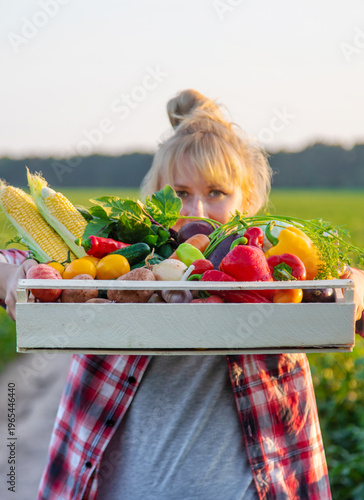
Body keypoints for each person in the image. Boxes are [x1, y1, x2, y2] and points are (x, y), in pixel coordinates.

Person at [1, 89, 364, 500]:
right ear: (153, 198)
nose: (197, 211)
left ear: (246, 199)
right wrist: (12, 276)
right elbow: (11, 260)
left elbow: (342, 282)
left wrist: (359, 284)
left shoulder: (270, 264)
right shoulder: (129, 255)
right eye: (179, 193)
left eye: (216, 193)